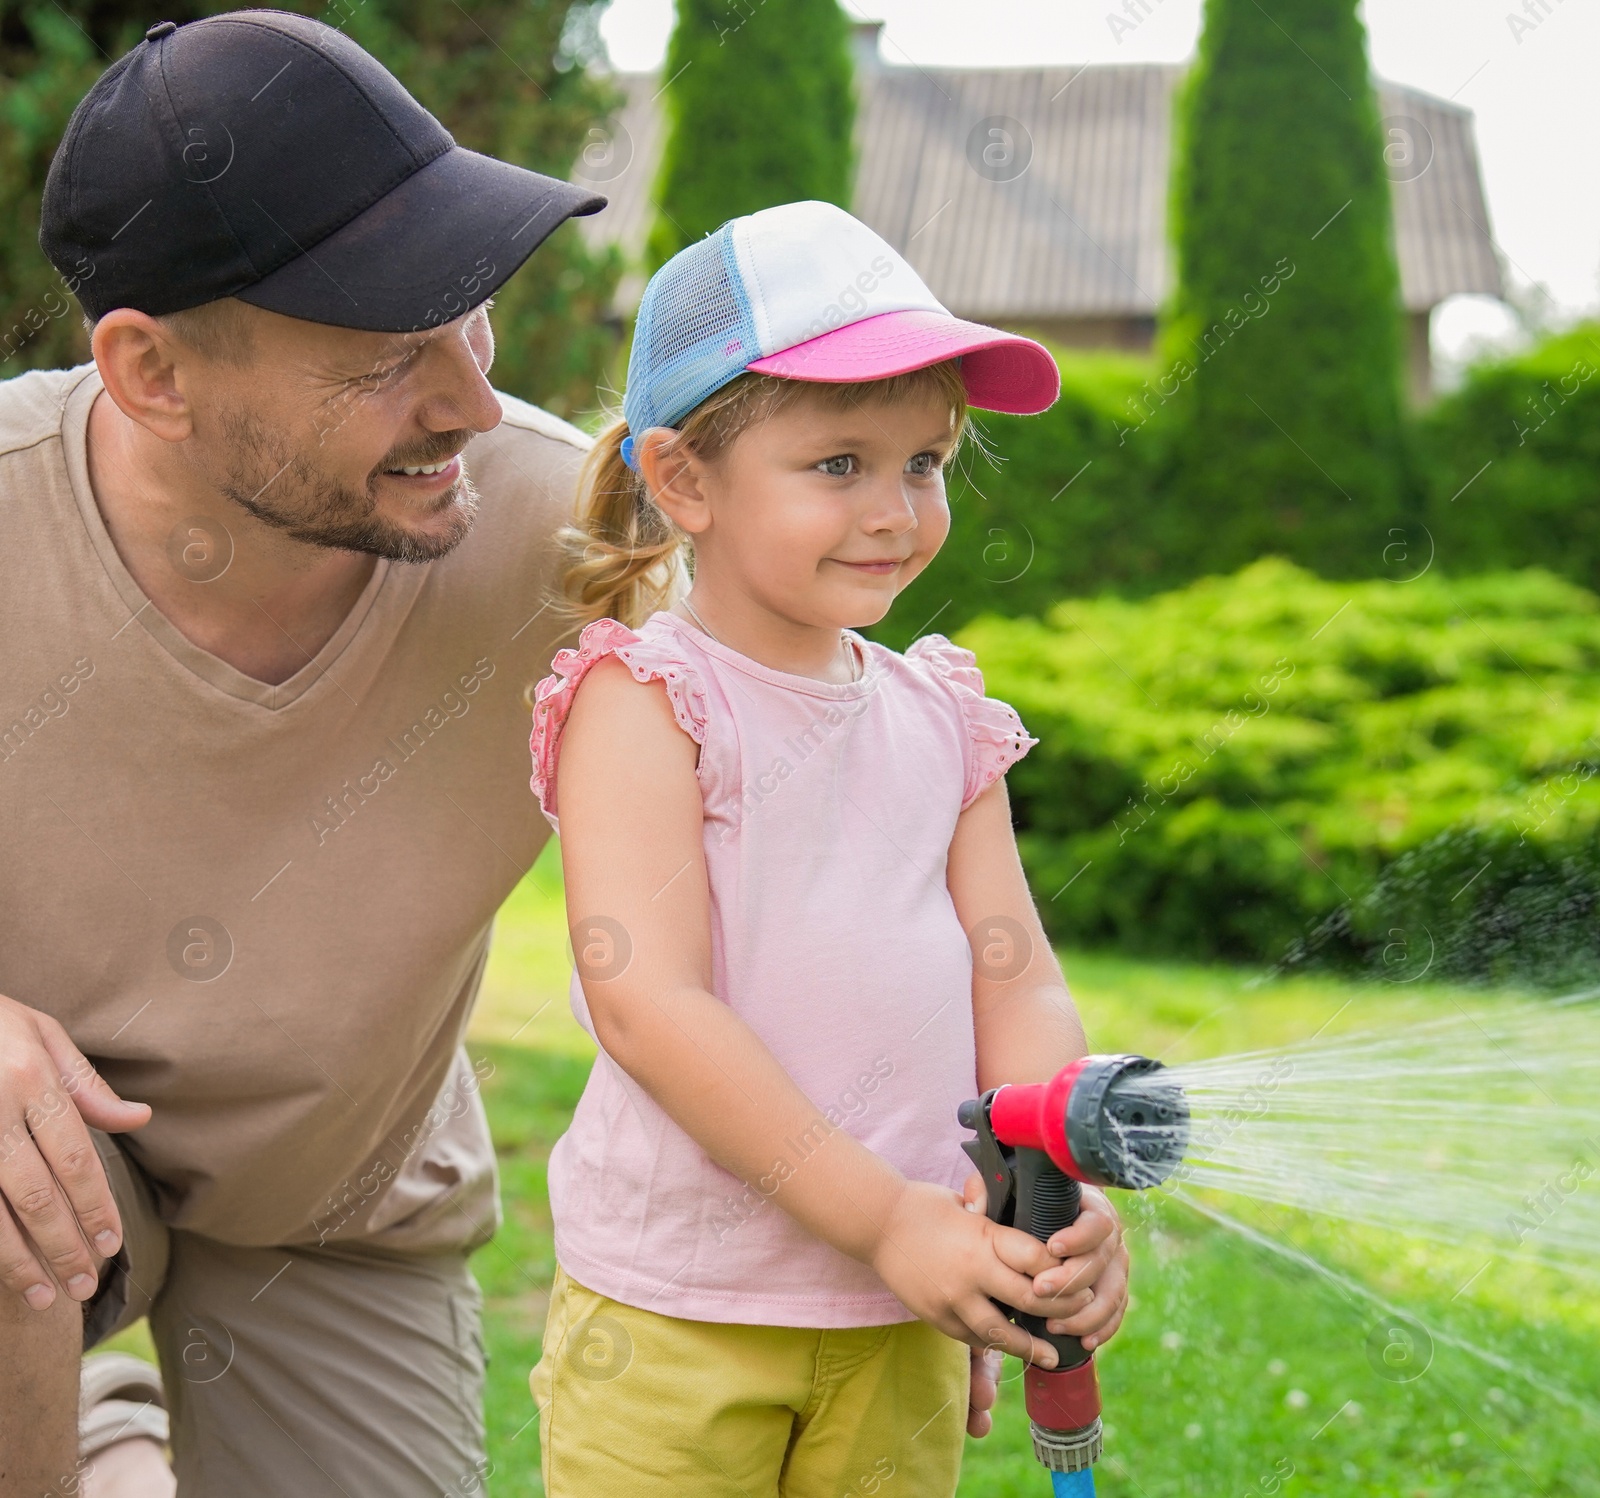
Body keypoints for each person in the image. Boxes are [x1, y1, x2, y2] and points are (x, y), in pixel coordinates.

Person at [0, 11, 607, 1495]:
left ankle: (120, 1448)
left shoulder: (570, 533)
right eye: (388, 352)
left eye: (472, 307)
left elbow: (818, 802)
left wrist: (942, 1178)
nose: (470, 397)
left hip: (342, 1199)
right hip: (36, 1174)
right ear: (149, 372)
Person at [525, 200, 1131, 1495]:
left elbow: (1014, 975)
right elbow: (650, 1004)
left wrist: (1053, 1192)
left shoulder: (943, 715)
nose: (897, 510)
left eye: (927, 461)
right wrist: (886, 1219)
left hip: (898, 1313)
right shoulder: (646, 702)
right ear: (683, 477)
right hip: (681, 1314)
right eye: (840, 463)